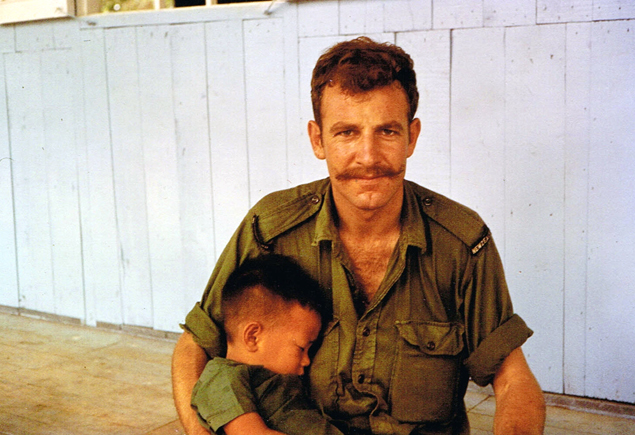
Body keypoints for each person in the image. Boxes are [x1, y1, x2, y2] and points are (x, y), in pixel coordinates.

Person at [173, 36, 546, 435]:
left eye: (386, 131)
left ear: (411, 137)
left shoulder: (461, 242)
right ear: (318, 139)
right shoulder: (270, 229)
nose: (368, 157)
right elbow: (195, 346)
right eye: (347, 133)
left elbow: (513, 378)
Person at [190, 254, 343, 435]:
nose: (306, 361)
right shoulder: (221, 379)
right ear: (253, 337)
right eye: (301, 348)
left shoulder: (268, 378)